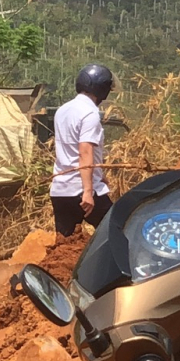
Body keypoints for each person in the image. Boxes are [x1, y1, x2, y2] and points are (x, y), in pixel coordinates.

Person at [51, 64, 114, 236]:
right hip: (82, 190)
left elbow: (69, 149)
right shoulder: (90, 114)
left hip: (60, 190)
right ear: (102, 89)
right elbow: (84, 151)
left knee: (64, 245)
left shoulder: (62, 110)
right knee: (116, 230)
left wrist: (99, 174)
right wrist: (88, 191)